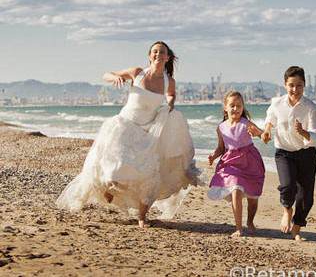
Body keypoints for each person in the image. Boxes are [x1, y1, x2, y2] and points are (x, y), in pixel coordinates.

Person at [57, 41, 200, 228]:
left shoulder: (168, 81)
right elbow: (106, 74)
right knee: (114, 168)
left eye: (162, 52)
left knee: (148, 174)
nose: (158, 54)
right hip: (124, 124)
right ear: (150, 55)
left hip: (149, 131)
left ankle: (142, 217)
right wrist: (115, 77)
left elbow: (171, 94)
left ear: (167, 57)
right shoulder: (137, 73)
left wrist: (170, 104)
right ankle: (107, 189)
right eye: (155, 51)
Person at [262, 66, 316, 241]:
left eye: (299, 86)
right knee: (288, 186)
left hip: (307, 154)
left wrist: (304, 133)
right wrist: (266, 131)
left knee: (306, 197)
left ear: (304, 85)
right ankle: (287, 209)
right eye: (291, 85)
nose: (295, 90)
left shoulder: (311, 107)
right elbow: (270, 119)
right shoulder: (277, 103)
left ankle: (296, 228)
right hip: (284, 153)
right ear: (285, 84)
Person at [208, 90, 266, 237]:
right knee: (236, 189)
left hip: (250, 163)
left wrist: (261, 133)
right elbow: (221, 148)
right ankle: (239, 228)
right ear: (225, 108)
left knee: (253, 197)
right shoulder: (221, 127)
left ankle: (250, 221)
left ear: (243, 107)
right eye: (232, 105)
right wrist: (213, 156)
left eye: (238, 106)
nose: (235, 109)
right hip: (231, 163)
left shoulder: (246, 124)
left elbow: (264, 136)